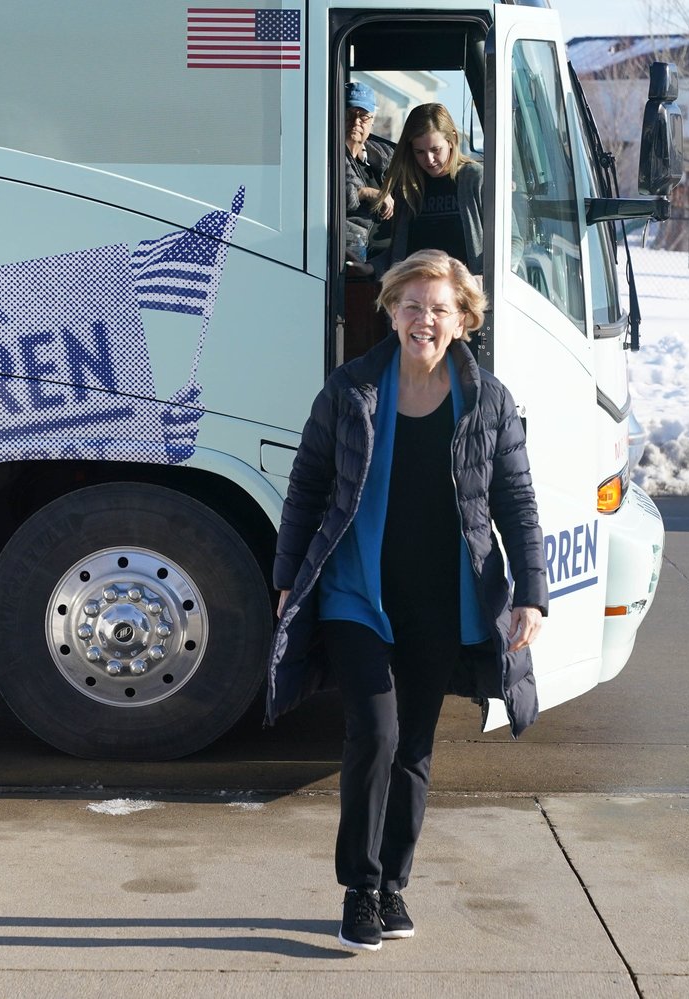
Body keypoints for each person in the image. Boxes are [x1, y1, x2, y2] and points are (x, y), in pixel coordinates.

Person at [264, 249, 548, 952]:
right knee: (376, 733)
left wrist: (531, 592)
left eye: (440, 308)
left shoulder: (488, 400)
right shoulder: (351, 389)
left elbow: (515, 498)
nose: (425, 319)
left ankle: (394, 883)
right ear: (390, 310)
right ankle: (359, 889)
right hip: (358, 594)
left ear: (464, 320)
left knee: (415, 748)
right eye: (412, 305)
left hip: (443, 600)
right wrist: (286, 575)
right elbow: (307, 485)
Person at [368, 104, 483, 276]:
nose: (429, 159)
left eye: (435, 150)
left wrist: (484, 279)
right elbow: (398, 254)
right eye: (419, 152)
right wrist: (370, 267)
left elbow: (512, 242)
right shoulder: (408, 187)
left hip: (463, 296)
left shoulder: (475, 178)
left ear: (452, 140)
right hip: (415, 294)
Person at [343, 82, 394, 262]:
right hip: (355, 257)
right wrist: (364, 193)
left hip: (392, 256)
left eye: (363, 117)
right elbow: (322, 199)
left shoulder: (384, 154)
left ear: (372, 121)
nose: (356, 122)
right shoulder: (326, 155)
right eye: (350, 115)